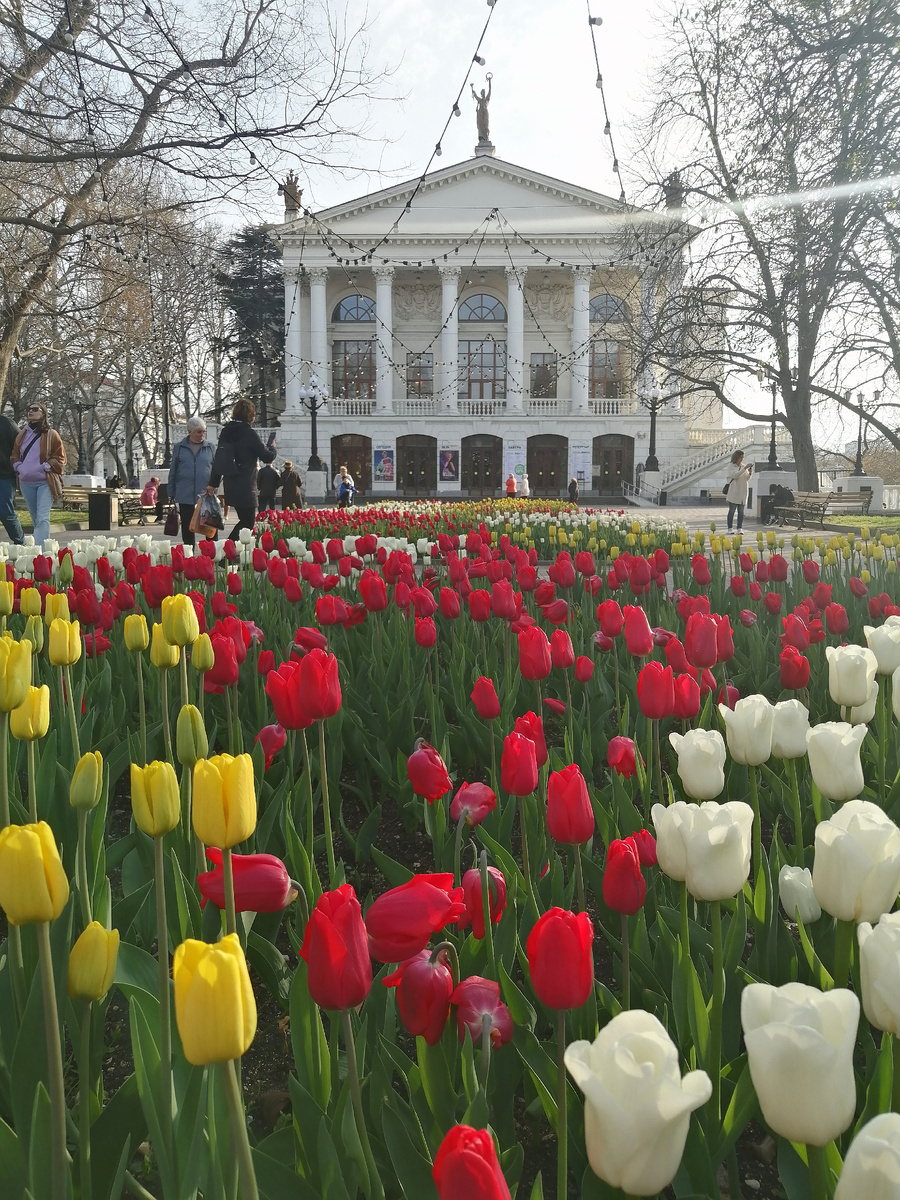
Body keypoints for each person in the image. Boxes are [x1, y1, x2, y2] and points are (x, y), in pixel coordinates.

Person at [207, 398, 275, 540]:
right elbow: (267, 457)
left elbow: (219, 459)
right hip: (246, 485)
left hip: (230, 483)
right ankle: (227, 551)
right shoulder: (248, 433)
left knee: (244, 520)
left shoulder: (226, 432)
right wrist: (272, 447)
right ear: (250, 416)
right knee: (247, 522)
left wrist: (213, 483)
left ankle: (230, 551)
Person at [11, 403, 65, 548]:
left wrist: (44, 467)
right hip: (26, 482)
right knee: (36, 518)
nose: (31, 412)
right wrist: (19, 467)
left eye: (35, 409)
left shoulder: (51, 434)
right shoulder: (22, 434)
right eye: (29, 409)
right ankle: (43, 548)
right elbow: (15, 456)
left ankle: (40, 551)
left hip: (45, 482)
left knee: (42, 517)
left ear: (43, 414)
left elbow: (60, 457)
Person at [168, 416, 216, 546]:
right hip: (185, 492)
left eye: (204, 431)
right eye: (199, 431)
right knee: (188, 526)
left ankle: (211, 554)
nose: (202, 434)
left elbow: (216, 470)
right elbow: (173, 470)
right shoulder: (180, 447)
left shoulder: (210, 448)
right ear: (190, 432)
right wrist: (171, 492)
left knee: (210, 527)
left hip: (206, 493)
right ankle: (189, 555)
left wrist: (214, 486)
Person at [0, 410, 23, 545]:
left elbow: (22, 446)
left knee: (5, 511)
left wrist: (16, 465)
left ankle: (20, 543)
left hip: (5, 475)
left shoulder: (7, 424)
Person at [725, 449, 753, 532]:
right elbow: (735, 475)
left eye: (743, 457)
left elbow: (746, 478)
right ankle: (730, 528)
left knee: (741, 512)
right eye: (741, 457)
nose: (742, 459)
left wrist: (750, 472)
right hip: (734, 491)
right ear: (736, 457)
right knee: (732, 511)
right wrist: (745, 468)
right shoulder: (731, 466)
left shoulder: (743, 466)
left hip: (743, 492)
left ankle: (739, 528)